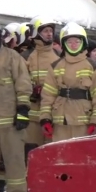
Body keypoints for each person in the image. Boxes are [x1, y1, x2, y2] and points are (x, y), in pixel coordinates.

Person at [39, 23, 96, 142]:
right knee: (61, 158)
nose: (73, 45)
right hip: (60, 123)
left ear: (83, 43)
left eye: (77, 41)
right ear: (64, 44)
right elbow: (48, 96)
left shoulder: (92, 66)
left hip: (84, 123)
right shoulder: (55, 66)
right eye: (69, 42)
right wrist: (45, 119)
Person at [0, 21, 32, 192]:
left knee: (15, 158)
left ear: (0, 36)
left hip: (10, 119)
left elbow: (23, 83)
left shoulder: (12, 57)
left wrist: (23, 110)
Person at [25, 17, 60, 155]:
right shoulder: (29, 57)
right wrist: (33, 88)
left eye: (51, 31)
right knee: (32, 150)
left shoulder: (57, 56)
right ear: (35, 33)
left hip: (52, 113)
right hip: (33, 115)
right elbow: (22, 82)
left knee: (51, 151)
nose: (49, 34)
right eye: (45, 31)